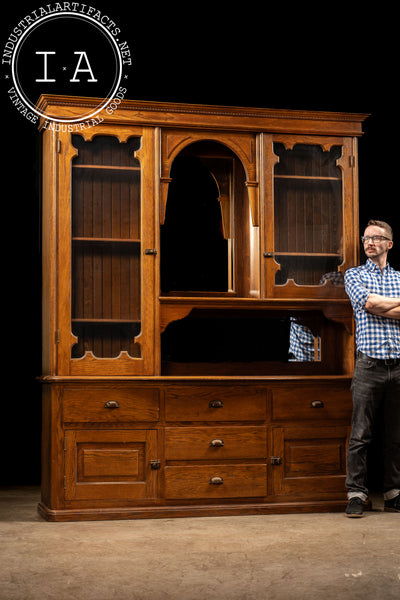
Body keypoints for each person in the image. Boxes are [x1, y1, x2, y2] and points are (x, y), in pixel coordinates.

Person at [344, 219, 400, 517]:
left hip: (398, 366)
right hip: (368, 365)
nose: (369, 242)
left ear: (389, 244)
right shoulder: (353, 275)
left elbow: (378, 305)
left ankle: (393, 493)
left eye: (377, 238)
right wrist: (382, 305)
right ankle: (356, 493)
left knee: (395, 435)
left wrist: (382, 304)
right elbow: (368, 304)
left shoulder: (399, 277)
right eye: (366, 237)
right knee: (361, 434)